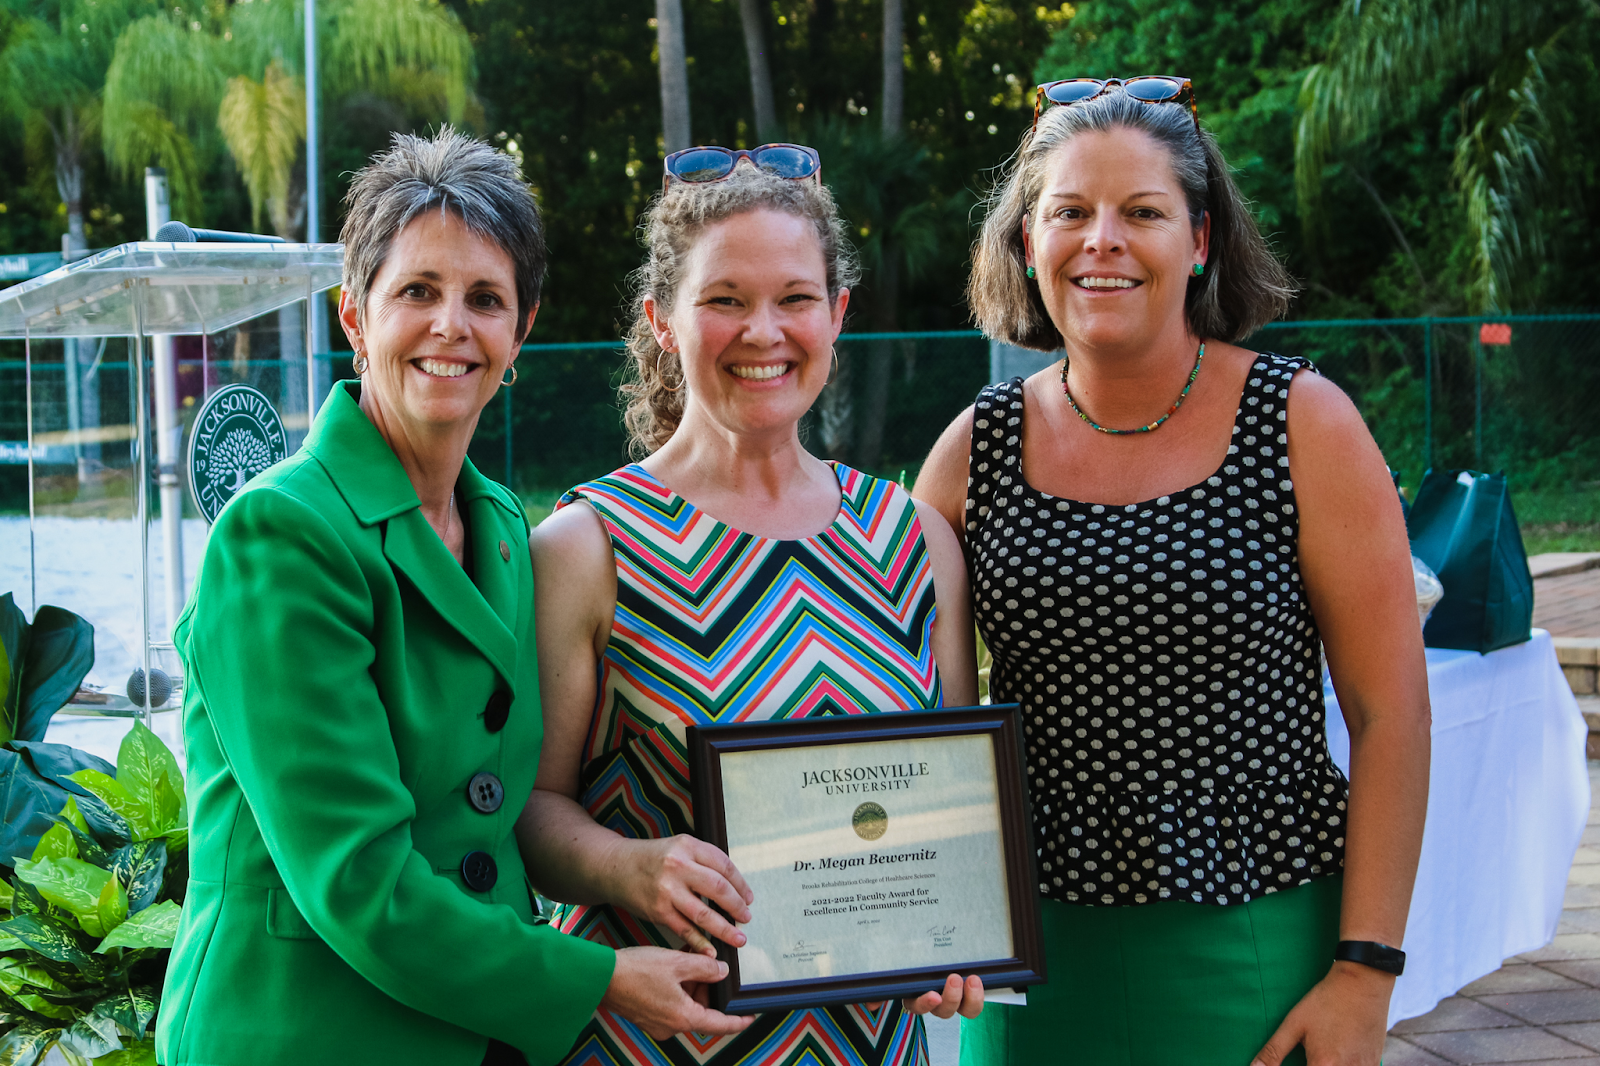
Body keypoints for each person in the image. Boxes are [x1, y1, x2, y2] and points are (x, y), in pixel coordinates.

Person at [158, 129, 749, 1066]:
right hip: (303, 1037)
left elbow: (508, 806)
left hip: (468, 1034)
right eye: (417, 293)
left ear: (521, 331)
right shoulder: (280, 536)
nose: (451, 326)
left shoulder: (508, 530)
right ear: (354, 317)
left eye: (485, 299)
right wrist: (591, 978)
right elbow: (357, 879)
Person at [914, 80, 1431, 1066]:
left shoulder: (1302, 423)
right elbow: (923, 726)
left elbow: (1392, 714)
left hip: (1254, 943)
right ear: (1028, 243)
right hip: (1031, 964)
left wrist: (1365, 975)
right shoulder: (971, 448)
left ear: (1198, 241)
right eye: (1067, 211)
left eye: (1141, 212)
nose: (1100, 238)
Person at [516, 147, 985, 1066]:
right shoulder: (585, 546)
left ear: (838, 314)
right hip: (650, 1038)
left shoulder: (916, 538)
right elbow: (531, 807)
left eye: (795, 298)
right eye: (724, 299)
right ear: (662, 321)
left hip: (872, 1045)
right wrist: (629, 869)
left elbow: (959, 809)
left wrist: (958, 928)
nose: (762, 331)